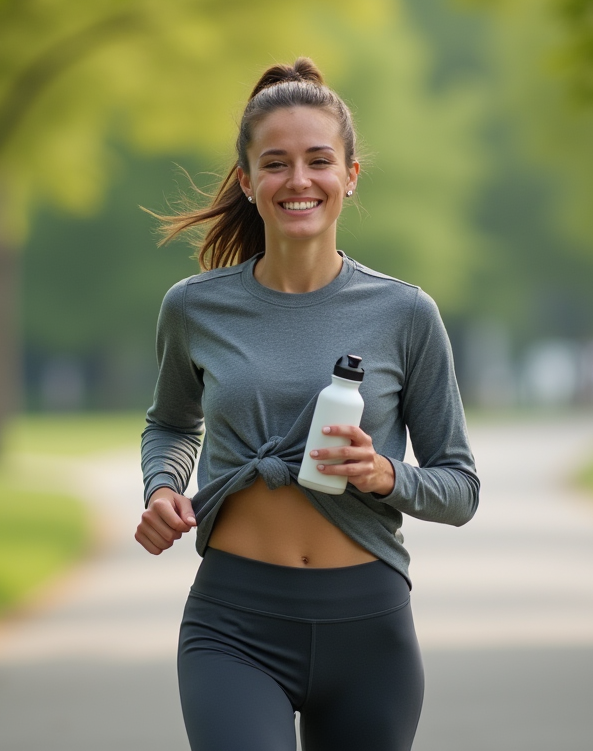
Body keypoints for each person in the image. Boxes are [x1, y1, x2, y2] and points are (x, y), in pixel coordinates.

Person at [137, 58, 480, 751]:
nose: (299, 181)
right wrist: (163, 485)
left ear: (350, 175)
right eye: (276, 163)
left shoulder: (405, 313)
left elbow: (460, 487)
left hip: (368, 630)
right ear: (247, 179)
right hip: (232, 623)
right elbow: (173, 423)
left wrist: (386, 475)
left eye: (319, 160)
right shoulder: (195, 308)